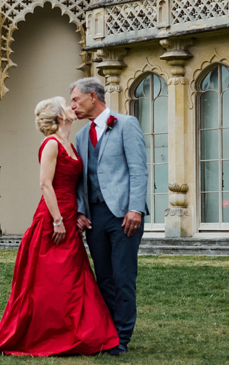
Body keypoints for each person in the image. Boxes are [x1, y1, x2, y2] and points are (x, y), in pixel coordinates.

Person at [0, 97, 120, 357]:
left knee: (74, 276)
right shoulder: (51, 144)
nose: (71, 107)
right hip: (52, 218)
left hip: (68, 214)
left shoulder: (72, 143)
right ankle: (47, 333)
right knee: (51, 278)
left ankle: (80, 333)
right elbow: (45, 185)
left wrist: (77, 212)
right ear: (58, 116)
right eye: (66, 104)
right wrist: (57, 220)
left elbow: (75, 184)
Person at [71, 77, 148, 356]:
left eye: (76, 99)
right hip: (95, 218)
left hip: (124, 215)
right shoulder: (81, 136)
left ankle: (123, 338)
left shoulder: (126, 124)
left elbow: (139, 169)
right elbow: (81, 180)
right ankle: (108, 334)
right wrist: (81, 210)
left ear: (93, 96)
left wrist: (135, 208)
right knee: (103, 277)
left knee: (122, 276)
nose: (73, 106)